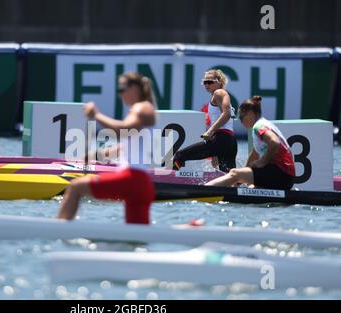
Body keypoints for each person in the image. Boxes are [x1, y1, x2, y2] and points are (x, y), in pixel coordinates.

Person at [58, 71, 156, 224]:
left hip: (132, 179)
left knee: (75, 187)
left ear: (135, 88)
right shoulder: (140, 110)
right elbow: (123, 146)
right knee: (137, 236)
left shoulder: (142, 108)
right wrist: (93, 155)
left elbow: (123, 131)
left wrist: (96, 115)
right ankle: (187, 229)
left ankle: (59, 229)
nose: (120, 94)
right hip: (141, 185)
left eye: (122, 89)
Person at [206, 96, 296, 190]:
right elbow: (254, 155)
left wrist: (262, 162)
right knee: (250, 188)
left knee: (234, 173)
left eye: (241, 117)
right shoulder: (266, 124)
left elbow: (274, 142)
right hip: (286, 178)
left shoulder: (259, 126)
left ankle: (201, 191)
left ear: (250, 114)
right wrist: (241, 179)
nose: (241, 121)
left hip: (280, 174)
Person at [172, 69, 237, 172]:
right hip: (230, 141)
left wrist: (209, 131)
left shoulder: (219, 92)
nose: (207, 85)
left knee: (180, 156)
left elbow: (227, 114)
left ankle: (172, 183)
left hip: (221, 139)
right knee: (229, 175)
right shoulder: (218, 95)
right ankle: (242, 187)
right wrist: (214, 153)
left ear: (219, 82)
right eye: (204, 82)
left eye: (210, 82)